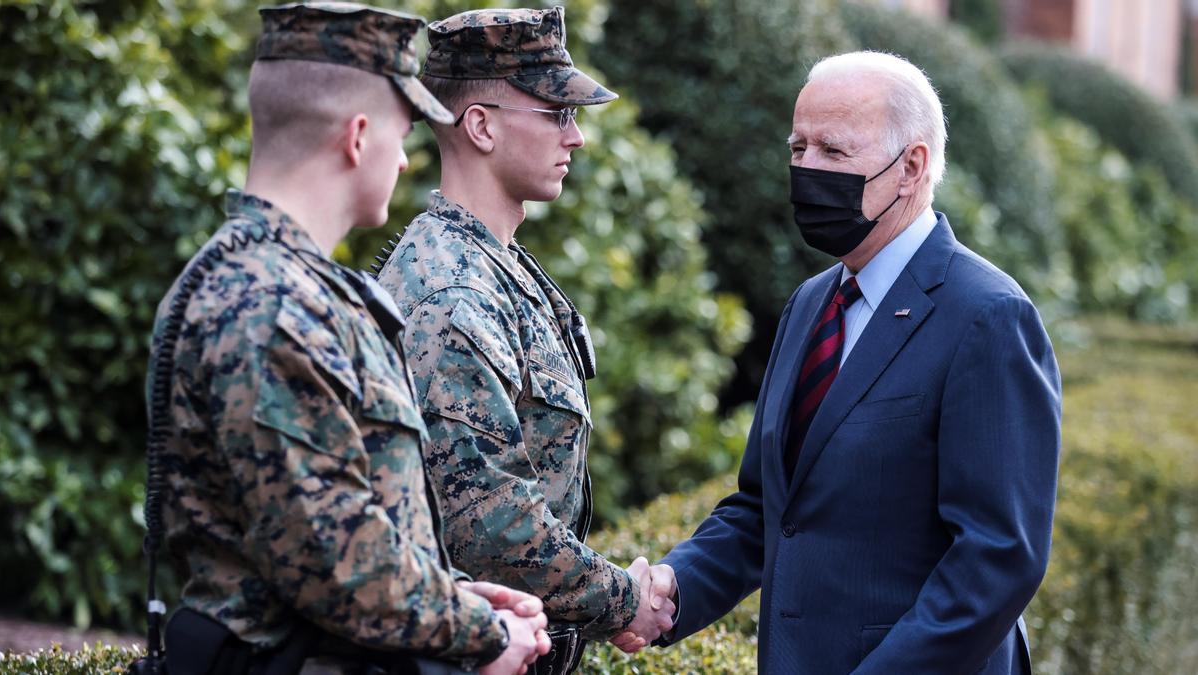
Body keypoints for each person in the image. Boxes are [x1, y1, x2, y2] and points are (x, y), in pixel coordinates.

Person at [148, 3, 551, 673]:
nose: (402, 160)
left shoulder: (273, 282)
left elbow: (328, 535)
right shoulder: (271, 304)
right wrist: (481, 631)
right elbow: (339, 564)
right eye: (400, 133)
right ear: (357, 137)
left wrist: (447, 595)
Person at [639, 51, 1062, 673]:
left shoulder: (989, 316)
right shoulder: (811, 303)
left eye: (833, 153)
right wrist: (673, 588)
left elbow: (997, 558)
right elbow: (767, 508)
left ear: (911, 167)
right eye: (798, 148)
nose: (807, 169)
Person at [371, 6, 674, 672]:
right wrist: (624, 598)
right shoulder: (453, 292)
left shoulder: (492, 264)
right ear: (479, 125)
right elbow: (491, 528)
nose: (577, 138)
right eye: (556, 114)